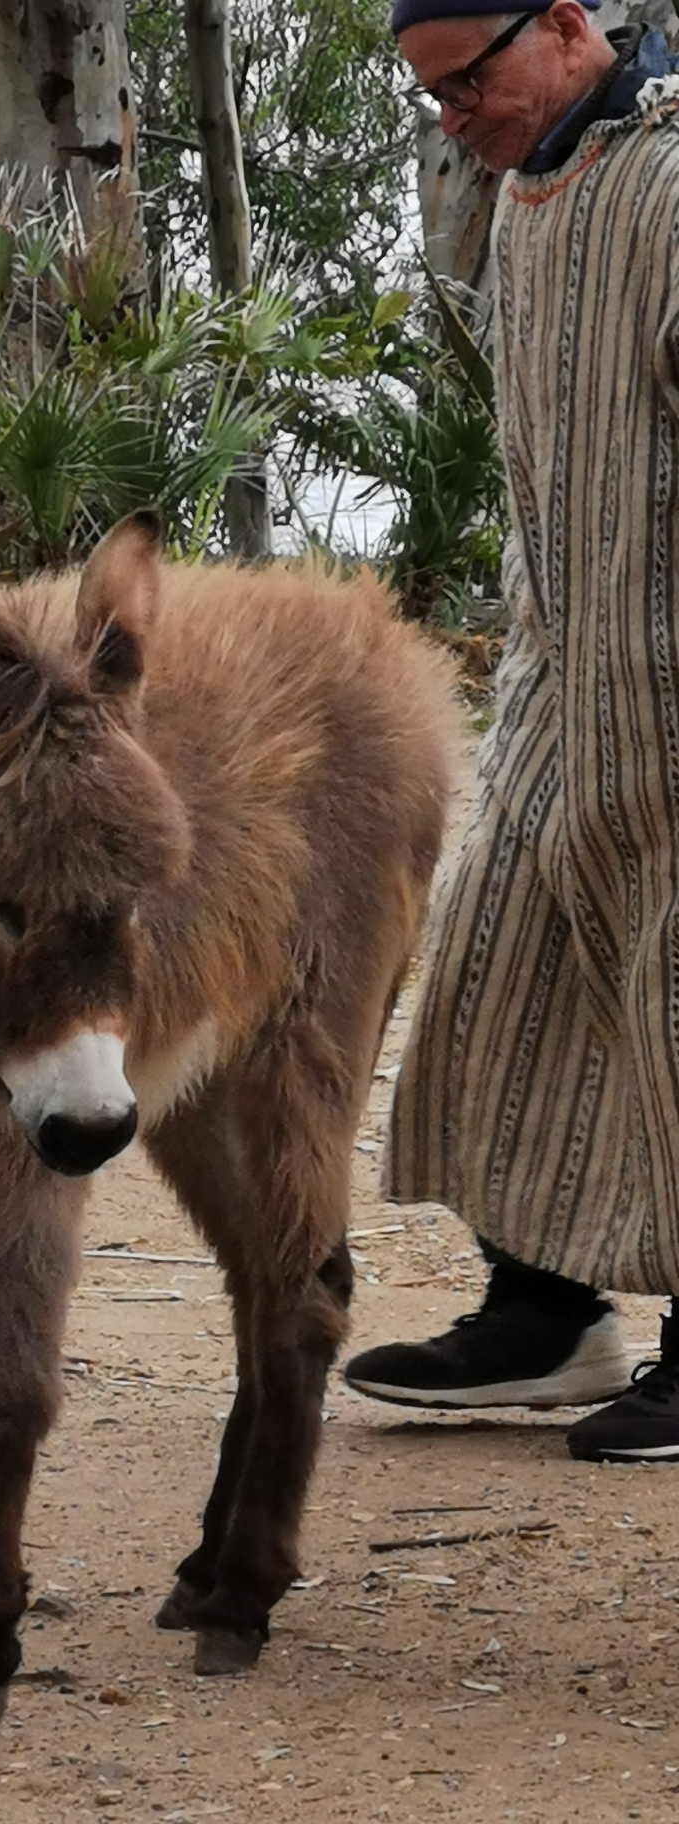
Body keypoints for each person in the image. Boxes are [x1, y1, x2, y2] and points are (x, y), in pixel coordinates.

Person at [342, 0, 679, 1462]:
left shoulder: (671, 182)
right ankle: (547, 1316)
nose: (451, 118)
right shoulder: (529, 195)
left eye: (465, 82)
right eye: (427, 97)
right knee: (500, 967)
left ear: (562, 25)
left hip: (675, 687)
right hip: (560, 684)